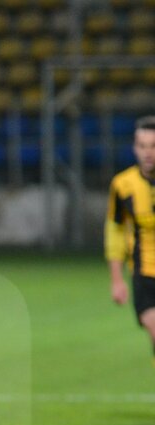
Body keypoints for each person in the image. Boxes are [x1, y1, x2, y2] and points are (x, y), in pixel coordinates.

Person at [107, 115, 155, 356]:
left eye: (154, 146)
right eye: (142, 146)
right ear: (135, 148)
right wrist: (116, 279)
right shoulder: (123, 185)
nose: (148, 153)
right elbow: (114, 231)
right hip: (144, 274)